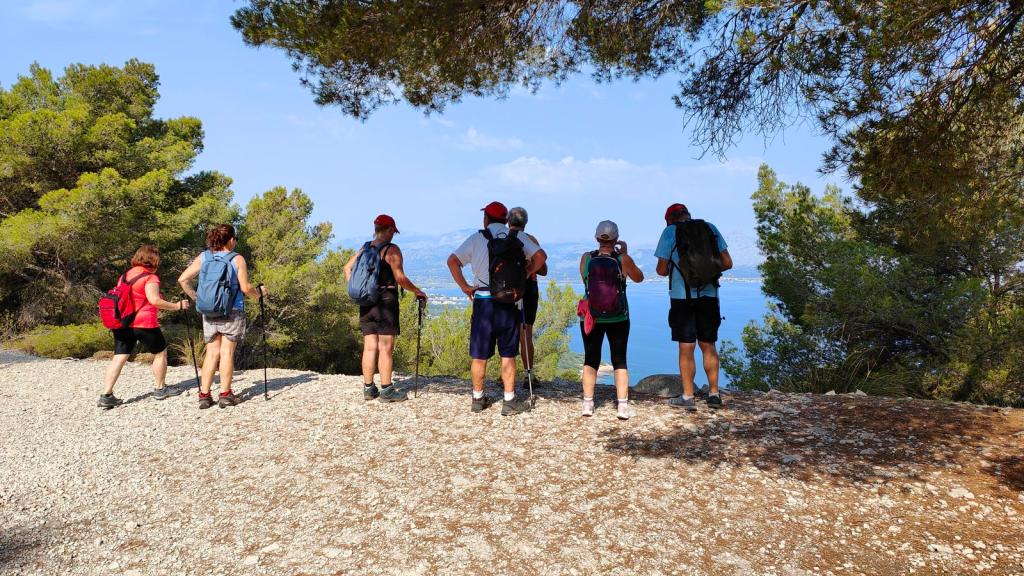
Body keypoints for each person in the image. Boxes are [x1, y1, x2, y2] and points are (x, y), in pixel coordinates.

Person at [447, 201, 547, 415]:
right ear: (506, 219)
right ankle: (509, 401)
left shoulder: (476, 238)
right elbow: (541, 257)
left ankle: (477, 398)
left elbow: (452, 261)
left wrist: (465, 286)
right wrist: (526, 273)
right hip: (509, 303)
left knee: (479, 355)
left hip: (483, 301)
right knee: (508, 354)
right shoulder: (518, 237)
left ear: (486, 219)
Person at [177, 224, 268, 409]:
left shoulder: (204, 256)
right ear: (231, 239)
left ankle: (204, 394)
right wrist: (259, 293)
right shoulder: (237, 259)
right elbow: (245, 288)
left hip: (208, 311)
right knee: (227, 352)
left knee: (212, 353)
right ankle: (225, 394)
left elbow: (183, 279)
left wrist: (197, 298)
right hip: (231, 311)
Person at [655, 203, 733, 410]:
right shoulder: (709, 228)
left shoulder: (670, 232)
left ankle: (688, 397)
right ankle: (714, 395)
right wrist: (705, 271)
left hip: (682, 298)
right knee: (708, 345)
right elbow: (727, 262)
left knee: (686, 347)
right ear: (688, 215)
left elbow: (661, 270)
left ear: (669, 219)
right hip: (709, 296)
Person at [344, 214, 427, 402]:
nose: (393, 235)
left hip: (366, 302)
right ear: (389, 230)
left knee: (369, 346)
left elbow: (347, 269)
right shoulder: (391, 250)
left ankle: (368, 388)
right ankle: (387, 390)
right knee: (386, 347)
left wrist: (358, 289)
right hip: (386, 302)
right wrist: (417, 291)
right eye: (393, 231)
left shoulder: (365, 248)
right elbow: (400, 278)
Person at [98, 245, 191, 409]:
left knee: (120, 356)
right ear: (153, 260)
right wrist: (177, 306)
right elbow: (155, 300)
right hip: (144, 322)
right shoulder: (150, 277)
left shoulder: (125, 275)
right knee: (160, 353)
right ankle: (160, 388)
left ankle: (106, 395)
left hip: (123, 323)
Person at [579, 221, 644, 419]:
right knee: (619, 359)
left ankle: (588, 405)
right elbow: (639, 277)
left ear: (597, 238)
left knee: (591, 358)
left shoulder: (586, 258)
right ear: (616, 238)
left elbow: (586, 281)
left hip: (592, 316)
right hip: (619, 316)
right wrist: (625, 254)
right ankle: (622, 407)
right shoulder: (622, 259)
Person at [507, 207, 547, 391]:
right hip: (528, 288)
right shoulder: (530, 240)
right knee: (526, 333)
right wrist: (530, 268)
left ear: (508, 221)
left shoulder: (501, 239)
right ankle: (528, 375)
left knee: (507, 331)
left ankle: (505, 375)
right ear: (526, 222)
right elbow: (544, 270)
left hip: (506, 289)